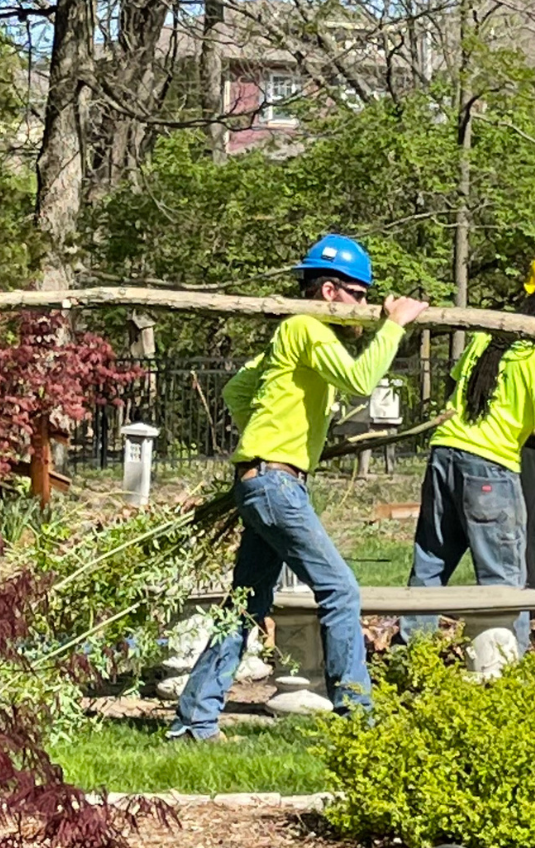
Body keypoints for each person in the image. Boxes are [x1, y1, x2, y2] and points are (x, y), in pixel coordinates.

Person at [168, 235, 427, 742]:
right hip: (275, 483)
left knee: (246, 603)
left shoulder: (292, 338)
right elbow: (359, 379)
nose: (366, 306)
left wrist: (267, 431)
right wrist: (394, 324)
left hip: (263, 478)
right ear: (330, 291)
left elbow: (236, 390)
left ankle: (195, 720)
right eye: (359, 294)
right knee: (340, 590)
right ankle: (359, 720)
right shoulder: (307, 327)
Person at [406, 256, 535, 650]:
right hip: (491, 470)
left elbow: (458, 389)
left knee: (430, 564)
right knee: (504, 579)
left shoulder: (486, 336)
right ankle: (507, 671)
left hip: (444, 453)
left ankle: (412, 656)